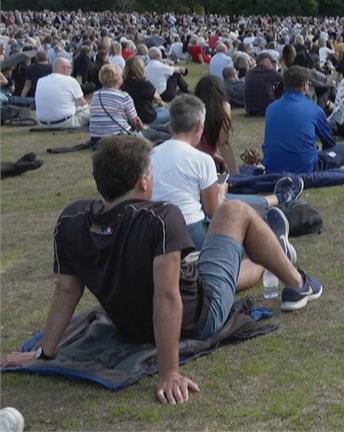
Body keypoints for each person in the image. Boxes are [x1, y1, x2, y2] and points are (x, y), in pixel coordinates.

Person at [0, 136, 322, 405]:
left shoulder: (72, 219)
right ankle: (297, 281)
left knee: (216, 268)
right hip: (198, 319)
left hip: (130, 321)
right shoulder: (160, 218)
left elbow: (67, 290)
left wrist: (46, 353)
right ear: (144, 180)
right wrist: (170, 372)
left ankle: (272, 253)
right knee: (233, 211)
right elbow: (167, 297)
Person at [152, 95, 301, 249]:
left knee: (229, 200)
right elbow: (215, 211)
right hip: (190, 231)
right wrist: (222, 185)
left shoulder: (150, 155)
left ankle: (278, 199)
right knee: (235, 217)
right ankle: (272, 242)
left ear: (170, 125)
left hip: (154, 231)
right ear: (199, 127)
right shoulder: (201, 160)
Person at [263, 67, 344, 173]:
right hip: (305, 168)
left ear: (284, 85)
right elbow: (329, 143)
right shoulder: (314, 110)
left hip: (272, 167)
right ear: (305, 87)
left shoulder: (270, 108)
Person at [194, 76, 241, 174]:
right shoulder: (223, 107)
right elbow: (223, 143)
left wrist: (220, 159)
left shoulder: (192, 107)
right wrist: (235, 174)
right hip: (203, 166)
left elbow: (198, 145)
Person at [89, 64, 146, 143]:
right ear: (118, 79)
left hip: (96, 139)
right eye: (121, 76)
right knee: (154, 134)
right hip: (119, 137)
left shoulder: (95, 95)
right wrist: (143, 128)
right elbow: (135, 121)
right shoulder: (124, 96)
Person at [34, 57, 90, 130]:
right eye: (70, 68)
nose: (71, 70)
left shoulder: (40, 81)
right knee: (91, 109)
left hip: (42, 124)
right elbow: (83, 103)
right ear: (64, 68)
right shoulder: (71, 80)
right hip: (65, 122)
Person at [122, 56, 170, 126]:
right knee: (170, 112)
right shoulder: (144, 84)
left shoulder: (122, 83)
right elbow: (158, 97)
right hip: (146, 118)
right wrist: (159, 101)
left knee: (161, 109)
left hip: (130, 118)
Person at [243, 52, 282, 117]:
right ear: (264, 61)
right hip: (265, 109)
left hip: (250, 109)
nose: (271, 64)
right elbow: (285, 79)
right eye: (270, 61)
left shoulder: (249, 72)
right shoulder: (269, 72)